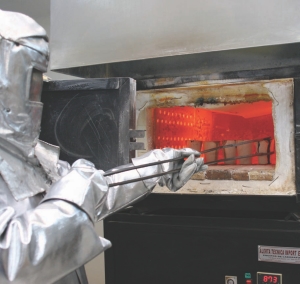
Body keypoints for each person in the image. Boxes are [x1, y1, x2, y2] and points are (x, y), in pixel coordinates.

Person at [0, 9, 206, 284]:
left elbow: (98, 190)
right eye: (31, 82)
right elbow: (14, 259)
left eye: (39, 83)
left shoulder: (29, 153)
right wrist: (75, 191)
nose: (38, 96)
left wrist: (160, 164)